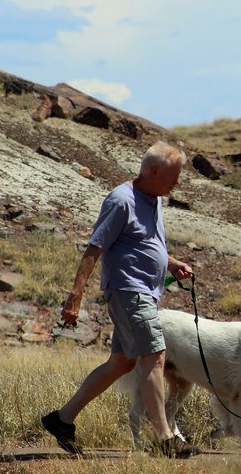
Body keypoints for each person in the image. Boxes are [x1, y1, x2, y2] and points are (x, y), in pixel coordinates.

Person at [41, 141, 200, 458]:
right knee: (155, 354)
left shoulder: (153, 199)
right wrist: (76, 295)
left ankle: (62, 419)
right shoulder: (121, 200)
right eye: (173, 175)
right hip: (129, 291)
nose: (177, 182)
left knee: (121, 363)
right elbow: (94, 248)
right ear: (154, 171)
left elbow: (143, 243)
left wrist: (170, 262)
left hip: (145, 291)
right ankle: (165, 438)